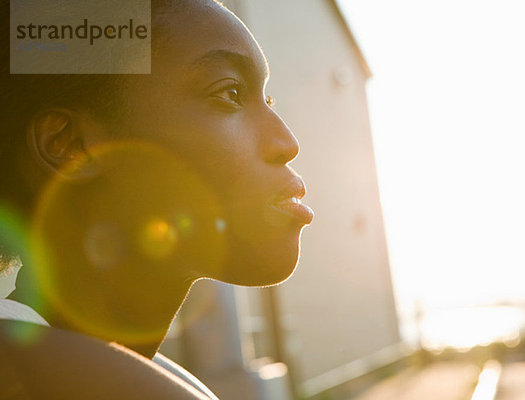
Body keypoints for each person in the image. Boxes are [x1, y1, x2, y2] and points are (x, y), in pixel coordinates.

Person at [0, 0, 313, 398]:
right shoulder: (35, 371)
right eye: (230, 93)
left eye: (267, 102)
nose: (287, 143)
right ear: (71, 145)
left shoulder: (152, 377)